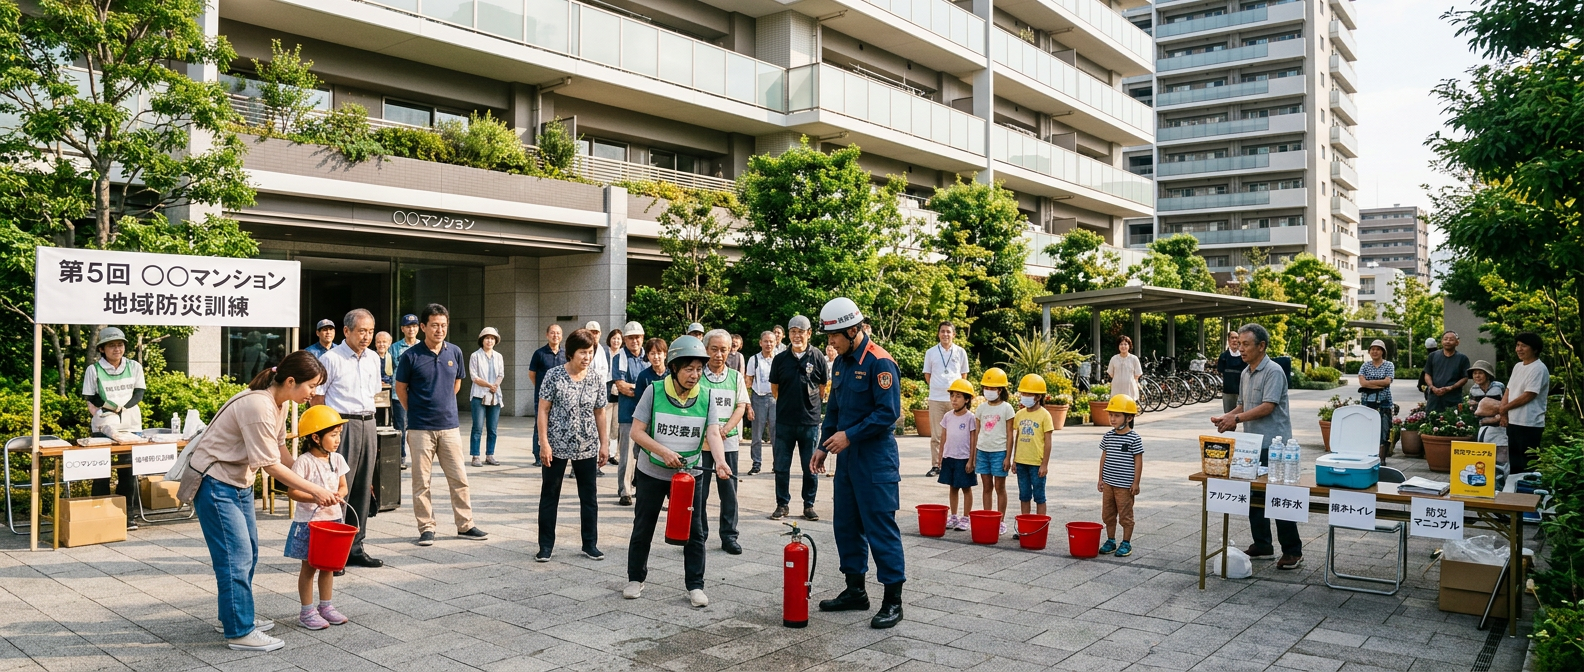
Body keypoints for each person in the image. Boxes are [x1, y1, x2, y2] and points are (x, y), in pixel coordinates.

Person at [183, 350, 340, 652]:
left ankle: (233, 617)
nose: (313, 393)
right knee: (236, 557)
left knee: (248, 553)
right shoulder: (259, 405)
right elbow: (270, 466)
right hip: (215, 484)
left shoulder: (279, 403)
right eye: (311, 386)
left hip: (237, 483)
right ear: (291, 381)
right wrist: (315, 490)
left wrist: (312, 476)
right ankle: (240, 631)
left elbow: (280, 449)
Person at [810, 297, 906, 629]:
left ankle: (893, 600)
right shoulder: (840, 363)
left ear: (852, 330)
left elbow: (888, 413)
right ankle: (855, 591)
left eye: (834, 336)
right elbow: (834, 409)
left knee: (880, 527)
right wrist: (823, 446)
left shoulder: (880, 362)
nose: (830, 343)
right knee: (846, 525)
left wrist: (849, 436)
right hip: (847, 459)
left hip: (876, 459)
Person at [623, 336, 734, 607]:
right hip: (652, 472)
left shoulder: (707, 396)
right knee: (643, 526)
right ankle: (635, 578)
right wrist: (663, 452)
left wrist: (720, 461)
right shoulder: (654, 391)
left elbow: (712, 433)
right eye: (688, 369)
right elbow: (637, 432)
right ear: (674, 368)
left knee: (695, 531)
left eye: (699, 369)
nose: (694, 375)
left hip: (689, 475)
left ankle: (695, 585)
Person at [395, 303, 489, 546]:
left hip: (449, 426)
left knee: (459, 478)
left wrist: (444, 403)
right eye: (435, 325)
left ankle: (465, 524)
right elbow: (400, 388)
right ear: (423, 327)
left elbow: (457, 383)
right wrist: (415, 410)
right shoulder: (411, 356)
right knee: (421, 482)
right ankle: (426, 527)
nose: (440, 330)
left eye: (444, 325)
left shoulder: (454, 352)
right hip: (420, 428)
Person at [1211, 323, 1300, 570]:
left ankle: (1293, 550)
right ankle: (1262, 545)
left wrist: (1236, 419)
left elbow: (1267, 406)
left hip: (1275, 446)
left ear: (1261, 346)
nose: (1240, 349)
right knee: (1254, 496)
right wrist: (1227, 417)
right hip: (1252, 445)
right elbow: (1243, 405)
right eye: (1239, 344)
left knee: (1279, 498)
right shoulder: (1245, 373)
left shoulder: (1274, 371)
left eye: (1246, 344)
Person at [312, 309, 384, 572]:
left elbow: (374, 392)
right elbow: (317, 398)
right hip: (341, 425)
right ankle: (335, 551)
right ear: (346, 331)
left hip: (368, 422)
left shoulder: (373, 358)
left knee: (363, 486)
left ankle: (355, 547)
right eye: (362, 331)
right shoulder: (331, 359)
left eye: (370, 331)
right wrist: (325, 433)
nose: (367, 337)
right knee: (340, 487)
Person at [535, 327, 610, 562]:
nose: (587, 357)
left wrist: (604, 444)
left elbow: (600, 412)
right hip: (556, 444)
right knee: (550, 494)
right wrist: (544, 443)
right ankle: (545, 546)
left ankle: (590, 544)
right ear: (571, 353)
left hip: (587, 445)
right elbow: (543, 410)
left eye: (590, 352)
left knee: (589, 497)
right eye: (582, 352)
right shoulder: (554, 375)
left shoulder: (596, 378)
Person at [282, 405, 352, 631]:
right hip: (309, 523)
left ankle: (326, 606)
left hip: (333, 521)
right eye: (333, 435)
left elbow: (343, 486)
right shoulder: (304, 461)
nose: (337, 440)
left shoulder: (337, 459)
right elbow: (292, 491)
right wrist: (315, 497)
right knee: (309, 567)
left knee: (328, 566)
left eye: (339, 434)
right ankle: (306, 611)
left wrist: (338, 496)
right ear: (315, 437)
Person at [82, 327, 145, 530]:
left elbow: (139, 393)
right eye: (111, 345)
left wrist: (123, 408)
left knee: (129, 472)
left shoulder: (134, 366)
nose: (117, 349)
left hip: (131, 425)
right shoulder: (93, 370)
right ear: (102, 349)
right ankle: (99, 516)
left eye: (120, 345)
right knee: (101, 471)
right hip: (103, 425)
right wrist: (111, 408)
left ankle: (128, 516)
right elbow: (91, 396)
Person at [768, 316, 828, 521]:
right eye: (793, 331)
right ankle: (782, 504)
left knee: (810, 467)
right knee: (781, 467)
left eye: (800, 332)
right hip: (784, 421)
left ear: (809, 333)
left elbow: (822, 387)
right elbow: (775, 389)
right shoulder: (780, 359)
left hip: (809, 422)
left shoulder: (817, 357)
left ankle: (809, 505)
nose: (796, 336)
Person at [698, 329, 748, 554]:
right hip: (702, 443)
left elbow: (740, 406)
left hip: (728, 442)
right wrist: (710, 431)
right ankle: (699, 534)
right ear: (706, 350)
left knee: (729, 491)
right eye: (714, 349)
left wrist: (726, 429)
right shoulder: (698, 376)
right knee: (700, 491)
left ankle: (729, 536)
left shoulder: (735, 377)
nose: (719, 355)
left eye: (724, 350)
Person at [1096, 395, 1143, 558]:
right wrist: (1100, 478)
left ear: (1129, 418)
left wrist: (1136, 482)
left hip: (1124, 485)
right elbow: (1104, 457)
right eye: (1111, 415)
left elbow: (1138, 461)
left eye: (1117, 415)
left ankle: (1126, 542)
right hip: (1108, 483)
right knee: (1107, 514)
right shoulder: (1108, 436)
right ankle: (1111, 540)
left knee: (1125, 514)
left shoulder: (1134, 438)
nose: (1112, 419)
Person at [921, 321, 968, 478]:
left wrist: (959, 394)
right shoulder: (931, 352)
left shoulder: (960, 352)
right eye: (942, 331)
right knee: (936, 435)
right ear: (938, 333)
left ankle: (956, 462)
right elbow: (927, 374)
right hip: (936, 398)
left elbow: (964, 374)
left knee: (957, 433)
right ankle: (936, 465)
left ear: (954, 334)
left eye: (948, 331)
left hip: (955, 398)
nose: (945, 334)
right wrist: (937, 387)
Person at [1500, 332, 1550, 476]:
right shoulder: (1518, 366)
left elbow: (1529, 395)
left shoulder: (1539, 368)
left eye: (1524, 346)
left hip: (1529, 424)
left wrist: (1504, 408)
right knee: (1515, 464)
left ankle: (1529, 490)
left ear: (1535, 349)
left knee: (1528, 466)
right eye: (1517, 345)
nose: (1519, 349)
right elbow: (1509, 389)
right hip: (1513, 422)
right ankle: (1514, 490)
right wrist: (1503, 412)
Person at [974, 368, 1016, 535]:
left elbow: (1010, 434)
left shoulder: (1007, 408)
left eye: (992, 388)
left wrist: (1008, 457)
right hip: (983, 451)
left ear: (1000, 390)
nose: (989, 391)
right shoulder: (981, 408)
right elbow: (977, 432)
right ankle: (988, 517)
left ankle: (1001, 520)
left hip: (999, 452)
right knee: (986, 487)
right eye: (986, 387)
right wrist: (974, 455)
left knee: (999, 487)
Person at [611, 321, 649, 505]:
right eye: (631, 337)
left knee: (645, 455)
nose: (635, 341)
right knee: (626, 455)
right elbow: (621, 386)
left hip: (648, 414)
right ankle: (625, 490)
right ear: (625, 339)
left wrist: (636, 388)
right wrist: (644, 390)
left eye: (638, 337)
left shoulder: (649, 356)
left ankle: (642, 487)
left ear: (643, 338)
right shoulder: (620, 357)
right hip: (628, 413)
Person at [1011, 375, 1054, 524]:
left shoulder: (1045, 415)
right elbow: (1018, 437)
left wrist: (1044, 464)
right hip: (1021, 462)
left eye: (1028, 394)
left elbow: (1048, 442)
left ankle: (1040, 525)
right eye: (1023, 393)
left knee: (1039, 496)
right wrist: (1015, 460)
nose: (1024, 397)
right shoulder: (1019, 414)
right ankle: (1025, 525)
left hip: (1037, 463)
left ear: (1038, 396)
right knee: (1024, 495)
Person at [937, 379, 978, 533]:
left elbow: (973, 440)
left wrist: (971, 460)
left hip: (964, 458)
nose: (954, 399)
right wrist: (940, 457)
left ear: (967, 399)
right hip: (949, 457)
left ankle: (965, 517)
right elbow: (943, 437)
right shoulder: (947, 416)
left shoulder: (970, 417)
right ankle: (953, 516)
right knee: (952, 487)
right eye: (952, 396)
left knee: (966, 488)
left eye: (958, 396)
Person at [528, 324, 568, 468]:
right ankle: (538, 455)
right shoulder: (539, 353)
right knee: (540, 425)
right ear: (547, 335)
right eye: (552, 333)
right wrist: (542, 389)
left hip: (561, 398)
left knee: (560, 424)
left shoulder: (566, 354)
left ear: (561, 336)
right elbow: (532, 374)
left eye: (558, 333)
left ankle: (556, 453)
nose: (555, 335)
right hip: (542, 397)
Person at [469, 327, 505, 467]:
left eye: (492, 338)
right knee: (477, 428)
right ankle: (475, 456)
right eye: (487, 338)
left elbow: (501, 374)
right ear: (482, 340)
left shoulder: (498, 356)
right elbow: (474, 377)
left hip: (495, 396)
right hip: (479, 395)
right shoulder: (475, 356)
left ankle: (490, 455)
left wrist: (495, 386)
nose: (489, 341)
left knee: (492, 428)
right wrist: (490, 385)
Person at [745, 331, 778, 477]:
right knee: (757, 434)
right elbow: (748, 381)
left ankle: (777, 464)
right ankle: (756, 464)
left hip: (775, 398)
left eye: (771, 341)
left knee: (776, 434)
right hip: (758, 398)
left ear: (775, 343)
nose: (768, 344)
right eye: (766, 341)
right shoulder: (754, 359)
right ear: (760, 343)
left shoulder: (779, 359)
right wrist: (748, 405)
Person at [1357, 339, 1396, 461]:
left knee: (1384, 429)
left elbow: (1387, 381)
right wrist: (1379, 384)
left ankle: (1381, 458)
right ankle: (1368, 457)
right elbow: (1362, 383)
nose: (1375, 351)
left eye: (1378, 349)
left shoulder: (1389, 365)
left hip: (1384, 402)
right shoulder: (1365, 366)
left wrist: (1370, 383)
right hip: (1367, 402)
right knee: (1367, 429)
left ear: (1382, 351)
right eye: (1373, 349)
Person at [392, 314, 421, 468]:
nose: (411, 329)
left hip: (419, 395)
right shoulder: (394, 348)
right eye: (408, 326)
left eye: (414, 326)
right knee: (401, 427)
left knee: (420, 428)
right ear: (402, 329)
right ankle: (401, 456)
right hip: (399, 395)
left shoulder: (423, 346)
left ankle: (420, 457)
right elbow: (388, 369)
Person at [1467, 360, 1507, 462]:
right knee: (1485, 457)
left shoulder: (1499, 387)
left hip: (1500, 426)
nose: (1477, 376)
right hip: (1483, 425)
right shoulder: (1473, 390)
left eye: (1480, 373)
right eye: (1475, 373)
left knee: (1501, 455)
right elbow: (1474, 410)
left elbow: (1506, 404)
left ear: (1487, 375)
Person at [1423, 331, 1471, 412]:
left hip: (1453, 397)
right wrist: (1432, 387)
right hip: (1434, 397)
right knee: (1432, 417)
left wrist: (1451, 387)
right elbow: (1427, 374)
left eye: (1451, 339)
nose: (1448, 341)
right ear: (1442, 341)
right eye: (1445, 339)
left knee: (1452, 418)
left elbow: (1465, 378)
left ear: (1457, 342)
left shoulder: (1462, 358)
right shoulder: (1433, 356)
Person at [1216, 330, 1245, 413]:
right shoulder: (1223, 356)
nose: (1234, 340)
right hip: (1228, 391)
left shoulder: (1244, 356)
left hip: (1242, 391)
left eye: (1236, 338)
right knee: (1228, 415)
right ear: (1228, 340)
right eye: (1232, 338)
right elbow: (1220, 370)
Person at [1107, 335, 1143, 402]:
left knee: (1129, 406)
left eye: (1125, 344)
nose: (1123, 346)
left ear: (1129, 346)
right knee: (1117, 406)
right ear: (1118, 346)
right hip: (1117, 389)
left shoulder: (1134, 359)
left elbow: (1137, 374)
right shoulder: (1114, 359)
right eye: (1121, 344)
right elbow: (1111, 373)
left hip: (1130, 389)